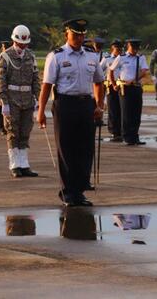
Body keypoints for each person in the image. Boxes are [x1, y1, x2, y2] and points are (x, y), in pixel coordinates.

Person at [37, 19, 105, 207]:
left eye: (82, 35)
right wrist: (41, 111)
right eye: (75, 35)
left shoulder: (91, 55)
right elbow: (47, 85)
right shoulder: (56, 56)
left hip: (86, 105)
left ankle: (80, 190)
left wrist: (99, 105)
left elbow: (99, 81)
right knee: (66, 149)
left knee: (85, 149)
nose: (79, 38)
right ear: (67, 34)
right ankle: (68, 192)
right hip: (65, 104)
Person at [0, 25, 40, 178]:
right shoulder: (5, 56)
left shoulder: (30, 56)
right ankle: (15, 165)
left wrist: (38, 98)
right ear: (14, 40)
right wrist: (4, 102)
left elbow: (35, 79)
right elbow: (0, 80)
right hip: (12, 99)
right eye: (21, 43)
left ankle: (24, 164)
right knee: (13, 132)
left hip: (27, 100)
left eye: (25, 43)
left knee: (25, 132)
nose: (23, 46)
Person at [108, 38, 150, 146]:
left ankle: (135, 136)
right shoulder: (121, 58)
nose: (135, 50)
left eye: (136, 48)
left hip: (136, 86)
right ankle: (127, 137)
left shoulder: (140, 58)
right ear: (128, 46)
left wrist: (136, 78)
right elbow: (111, 71)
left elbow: (145, 70)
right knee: (126, 113)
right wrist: (113, 84)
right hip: (124, 88)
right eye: (133, 47)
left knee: (136, 113)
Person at [101, 39, 124, 142]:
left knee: (122, 110)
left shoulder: (123, 58)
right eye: (117, 48)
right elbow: (99, 70)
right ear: (112, 49)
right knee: (113, 110)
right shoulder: (107, 59)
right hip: (111, 86)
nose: (119, 50)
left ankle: (122, 131)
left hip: (122, 86)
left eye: (120, 48)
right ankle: (115, 132)